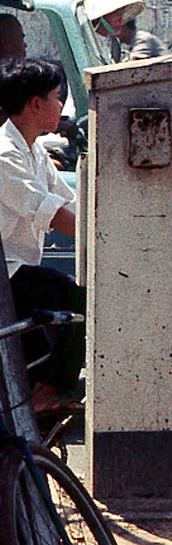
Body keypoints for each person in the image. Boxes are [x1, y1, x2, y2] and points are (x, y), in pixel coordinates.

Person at [0, 58, 85, 418]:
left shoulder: (33, 150)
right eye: (56, 96)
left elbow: (70, 204)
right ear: (35, 103)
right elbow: (48, 211)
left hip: (20, 272)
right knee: (81, 303)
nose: (61, 105)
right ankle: (48, 393)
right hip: (7, 274)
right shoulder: (5, 155)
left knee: (31, 367)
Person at [84, 0, 165, 62]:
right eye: (117, 16)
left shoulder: (142, 39)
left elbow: (132, 65)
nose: (119, 21)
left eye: (120, 18)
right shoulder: (95, 41)